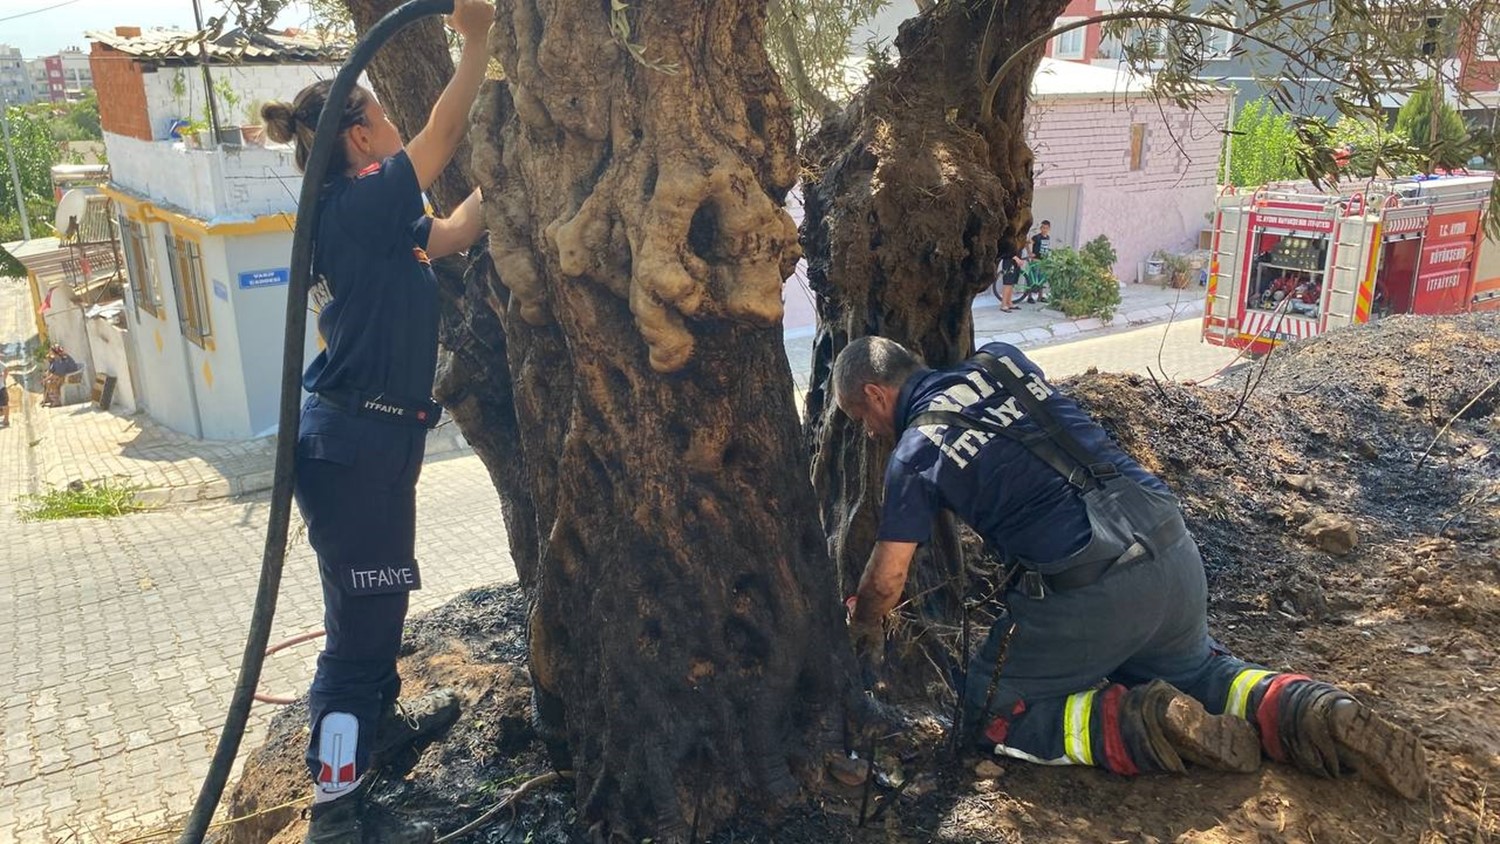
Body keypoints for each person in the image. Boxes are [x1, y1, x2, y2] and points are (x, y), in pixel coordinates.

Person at [835, 336, 1427, 798]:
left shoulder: (917, 451)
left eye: (860, 417)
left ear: (876, 395)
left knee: (989, 711)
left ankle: (1147, 725)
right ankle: (1311, 709)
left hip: (1088, 591)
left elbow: (888, 580)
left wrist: (862, 626)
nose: (868, 431)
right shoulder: (1003, 361)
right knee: (1204, 671)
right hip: (1171, 551)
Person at [261, 1, 492, 840]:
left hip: (369, 448)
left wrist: (522, 163)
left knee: (376, 613)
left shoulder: (373, 216)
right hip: (357, 449)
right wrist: (477, 43)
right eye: (383, 117)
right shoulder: (357, 201)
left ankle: (373, 737)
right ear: (359, 138)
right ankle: (337, 808)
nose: (395, 127)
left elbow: (458, 230)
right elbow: (443, 126)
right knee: (356, 639)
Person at [1019, 220, 1050, 304]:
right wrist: (1029, 253)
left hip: (1043, 261)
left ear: (1049, 229)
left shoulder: (1047, 237)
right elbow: (1026, 243)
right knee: (1032, 279)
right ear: (1041, 228)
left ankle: (1040, 296)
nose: (1044, 229)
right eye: (1043, 228)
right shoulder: (1037, 237)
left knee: (1041, 279)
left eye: (1046, 228)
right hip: (1036, 260)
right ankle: (1029, 296)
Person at [993, 246, 1023, 312]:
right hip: (1009, 261)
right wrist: (1016, 258)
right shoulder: (1009, 239)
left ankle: (1009, 302)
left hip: (1016, 262)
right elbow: (1005, 251)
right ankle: (1003, 304)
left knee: (1012, 283)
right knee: (1007, 283)